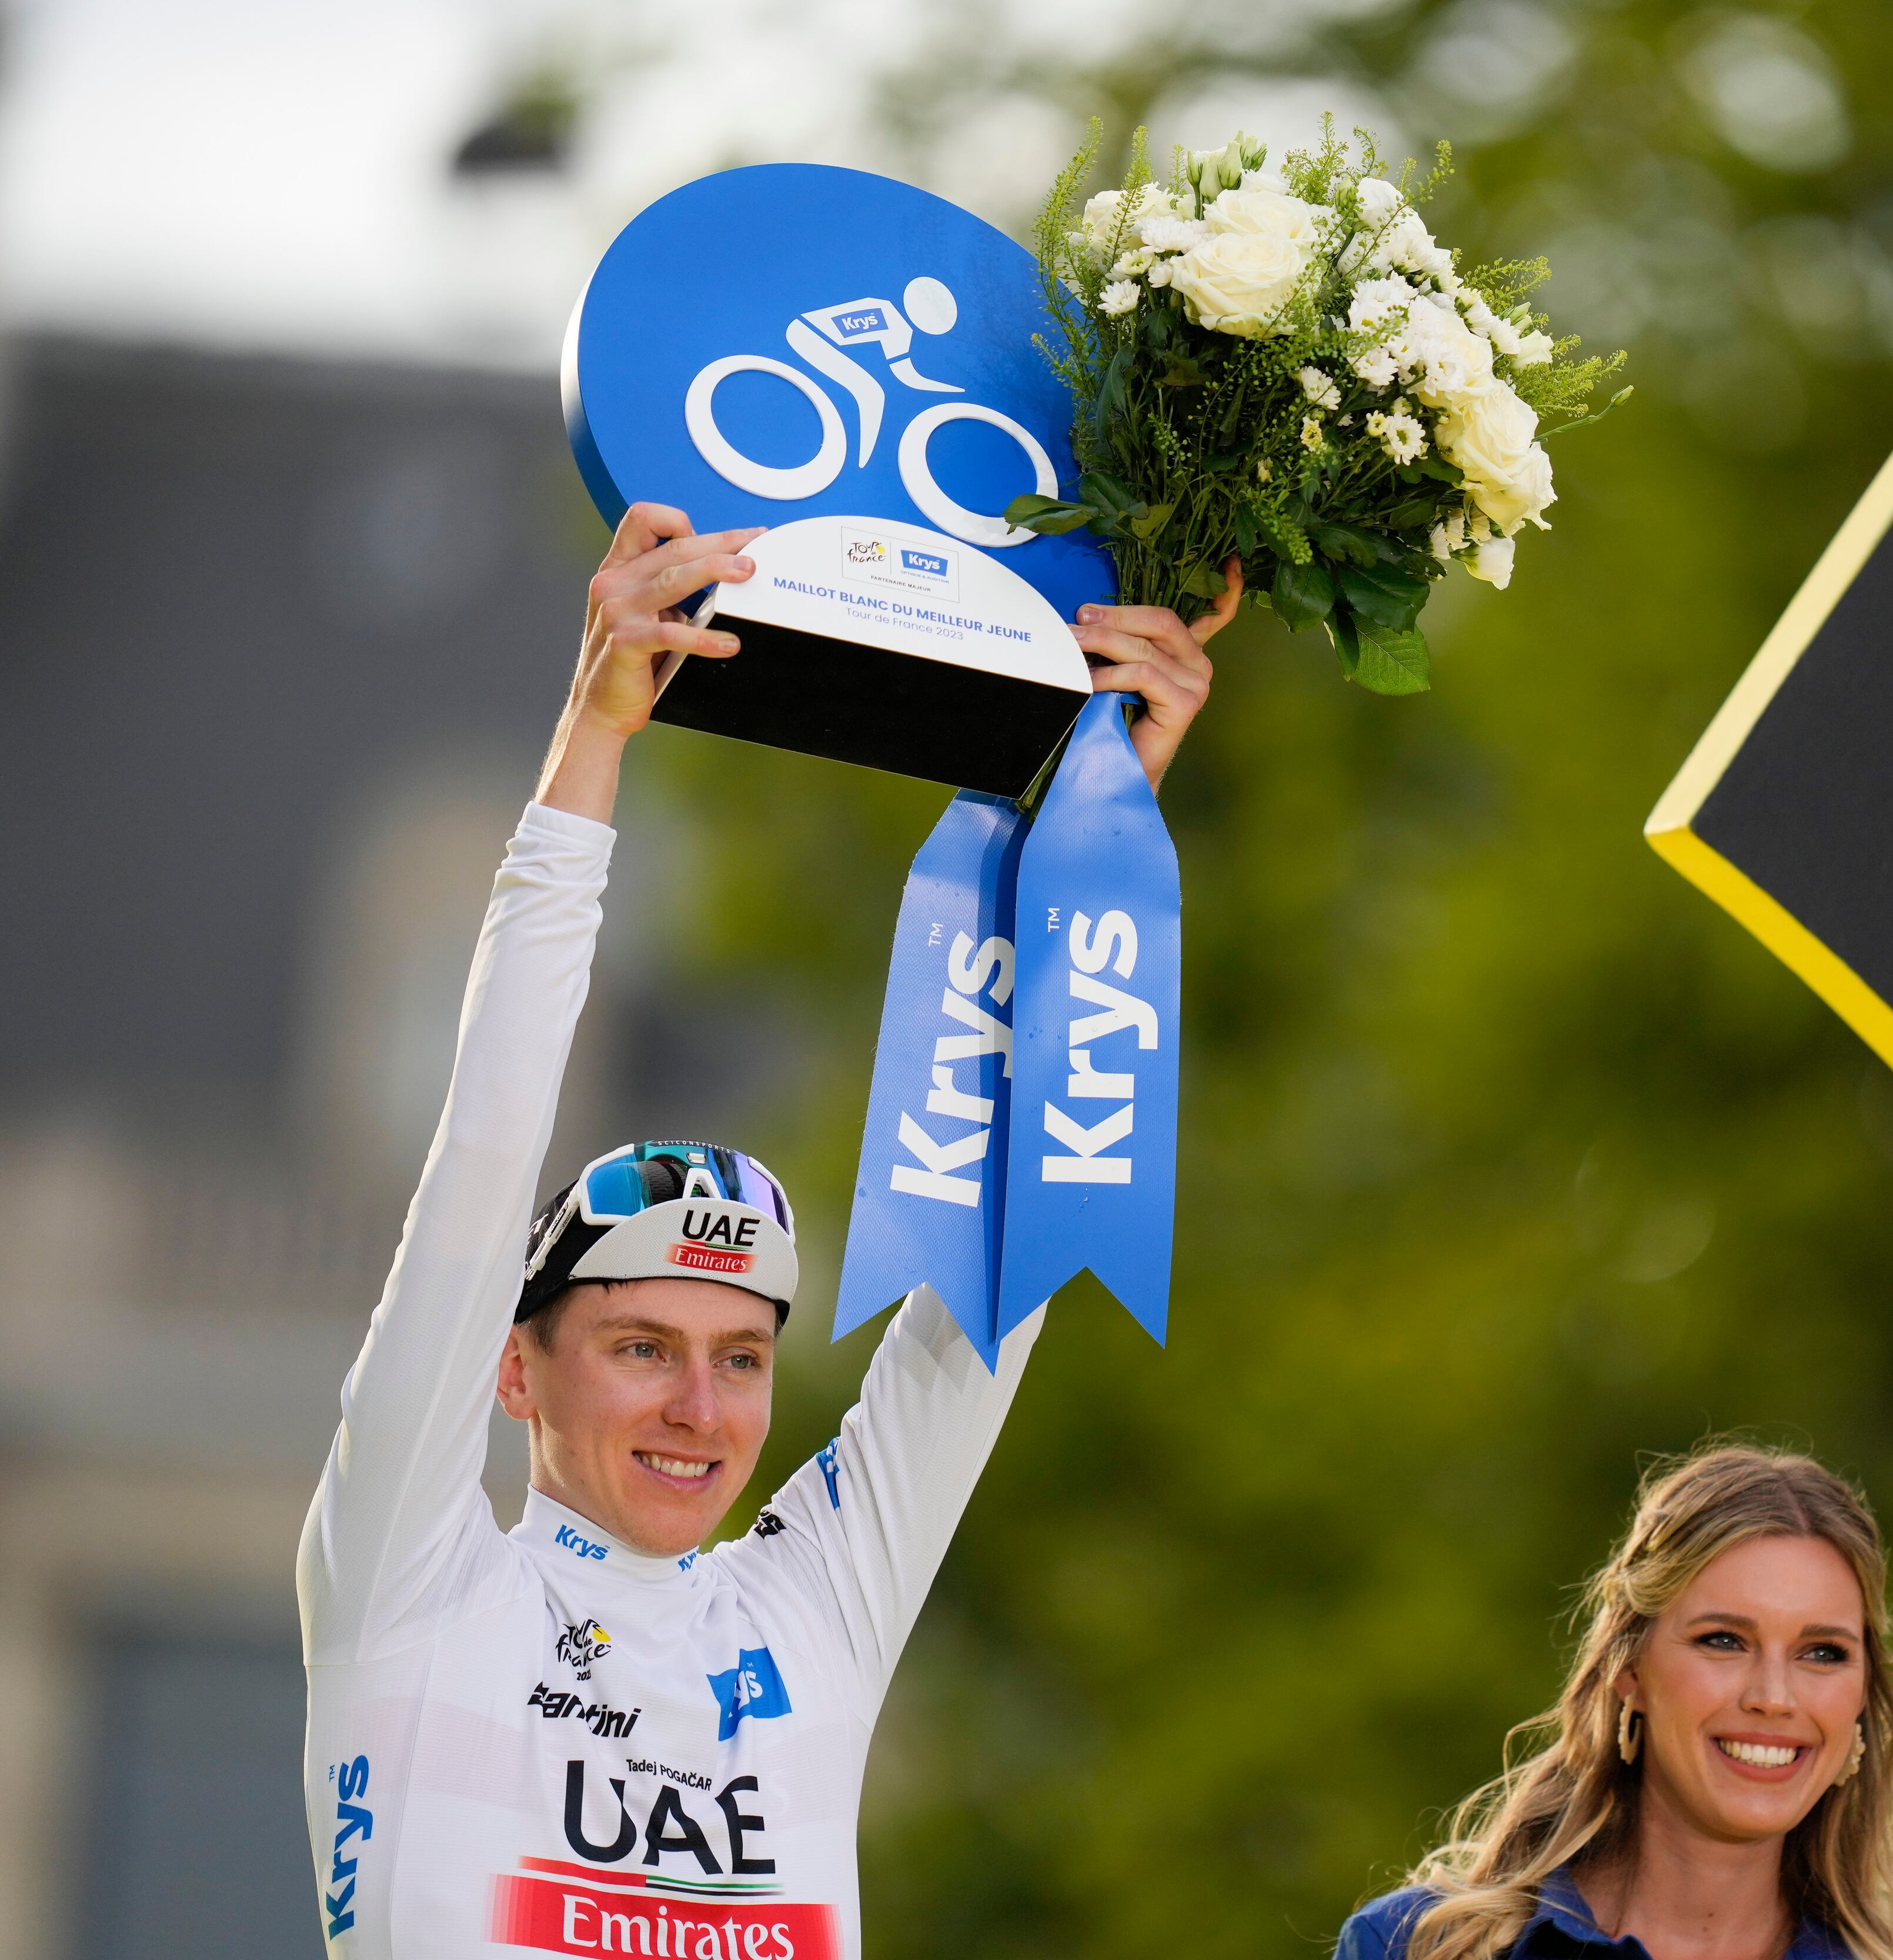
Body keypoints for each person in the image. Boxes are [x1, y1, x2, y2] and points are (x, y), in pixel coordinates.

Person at [296, 503, 1234, 1958]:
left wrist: (1102, 825)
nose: (699, 1406)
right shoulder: (412, 1580)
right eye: (640, 1344)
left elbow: (997, 1278)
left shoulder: (801, 1620)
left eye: (742, 1356)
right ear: (514, 1369)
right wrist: (593, 733)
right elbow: (483, 1159)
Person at [1337, 1445, 1893, 1960]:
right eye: (1723, 1641)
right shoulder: (1416, 1947)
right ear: (1628, 1668)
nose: (1773, 1697)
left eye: (1821, 1653)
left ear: (1862, 1694)